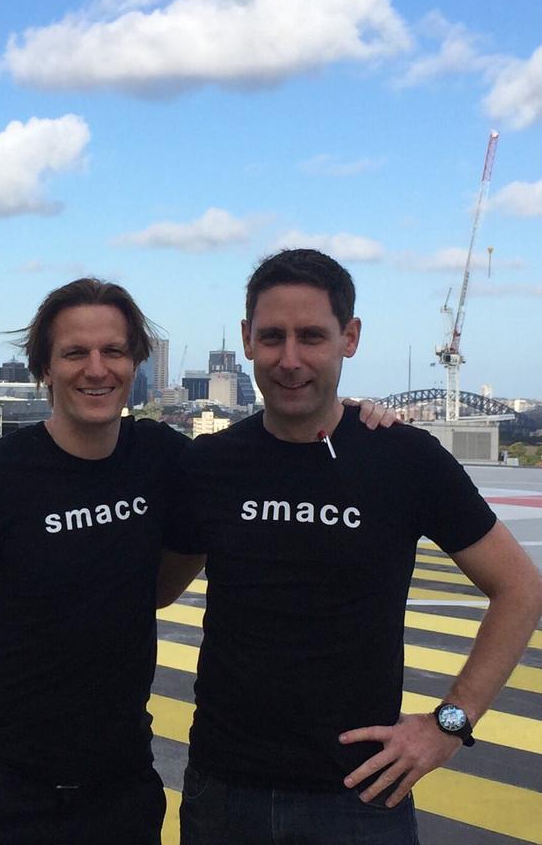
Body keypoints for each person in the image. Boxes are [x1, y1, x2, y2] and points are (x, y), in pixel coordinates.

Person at [172, 248, 542, 845]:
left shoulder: (404, 458)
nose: (289, 360)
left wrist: (450, 723)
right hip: (222, 791)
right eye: (272, 337)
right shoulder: (208, 463)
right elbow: (158, 585)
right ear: (246, 340)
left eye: (312, 337)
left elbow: (521, 587)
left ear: (350, 337)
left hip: (360, 799)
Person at [0, 279, 203, 845]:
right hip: (3, 788)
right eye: (75, 353)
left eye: (113, 352)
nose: (96, 369)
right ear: (44, 369)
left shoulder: (164, 457)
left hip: (121, 788)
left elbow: (267, 453)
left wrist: (358, 419)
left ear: (134, 363)